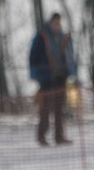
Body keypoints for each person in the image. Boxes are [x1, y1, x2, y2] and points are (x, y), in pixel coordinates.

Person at [29, 13, 76, 146]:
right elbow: (33, 57)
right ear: (50, 23)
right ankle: (41, 136)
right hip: (46, 79)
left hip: (61, 77)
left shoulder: (64, 37)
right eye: (55, 23)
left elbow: (70, 56)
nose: (57, 25)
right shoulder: (41, 37)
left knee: (60, 108)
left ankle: (59, 136)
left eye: (59, 23)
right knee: (45, 109)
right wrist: (36, 74)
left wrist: (72, 73)